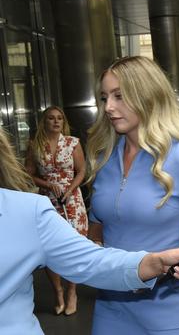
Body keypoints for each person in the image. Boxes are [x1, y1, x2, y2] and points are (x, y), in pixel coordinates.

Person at [0, 126, 179, 335]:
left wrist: (154, 262)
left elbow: (91, 262)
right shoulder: (108, 163)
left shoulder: (28, 212)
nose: (110, 108)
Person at [86, 56, 179, 335]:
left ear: (147, 96)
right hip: (112, 304)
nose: (109, 107)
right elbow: (100, 222)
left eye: (119, 96)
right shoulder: (104, 159)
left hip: (174, 309)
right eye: (104, 97)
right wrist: (93, 246)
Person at [24, 106, 87, 316]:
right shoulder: (35, 145)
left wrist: (70, 189)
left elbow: (82, 170)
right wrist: (48, 185)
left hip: (71, 200)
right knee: (49, 248)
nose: (56, 121)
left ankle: (72, 292)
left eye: (60, 118)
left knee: (73, 246)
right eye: (51, 118)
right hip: (46, 201)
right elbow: (29, 175)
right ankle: (58, 292)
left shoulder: (72, 143)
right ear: (44, 121)